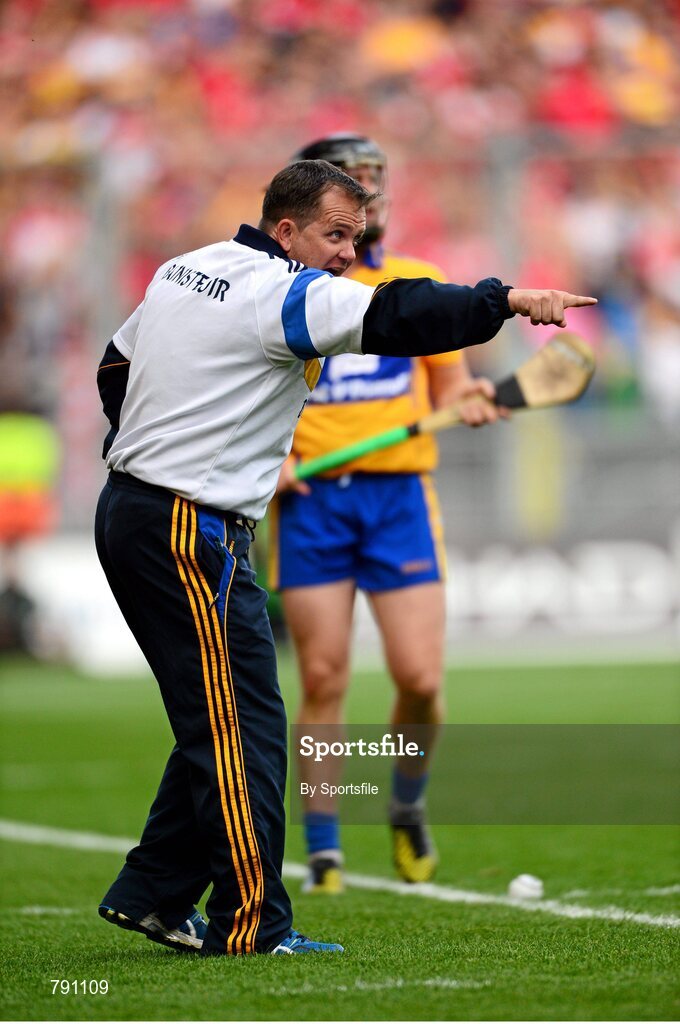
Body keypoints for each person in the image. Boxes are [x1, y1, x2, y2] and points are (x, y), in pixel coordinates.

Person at [95, 157, 596, 957]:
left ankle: (154, 892)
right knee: (237, 729)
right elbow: (400, 314)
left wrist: (150, 447)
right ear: (285, 228)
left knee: (227, 717)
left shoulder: (185, 268)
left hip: (143, 511)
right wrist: (506, 299)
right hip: (188, 529)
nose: (347, 252)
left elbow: (114, 366)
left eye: (357, 237)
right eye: (334, 234)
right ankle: (253, 923)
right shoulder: (287, 289)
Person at [271, 134, 505, 893]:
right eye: (353, 184)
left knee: (420, 677)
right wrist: (270, 457)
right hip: (312, 503)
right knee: (325, 675)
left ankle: (405, 803)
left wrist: (466, 402)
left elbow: (453, 386)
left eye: (376, 182)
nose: (369, 198)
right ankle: (328, 849)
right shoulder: (277, 294)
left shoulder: (414, 282)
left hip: (398, 496)